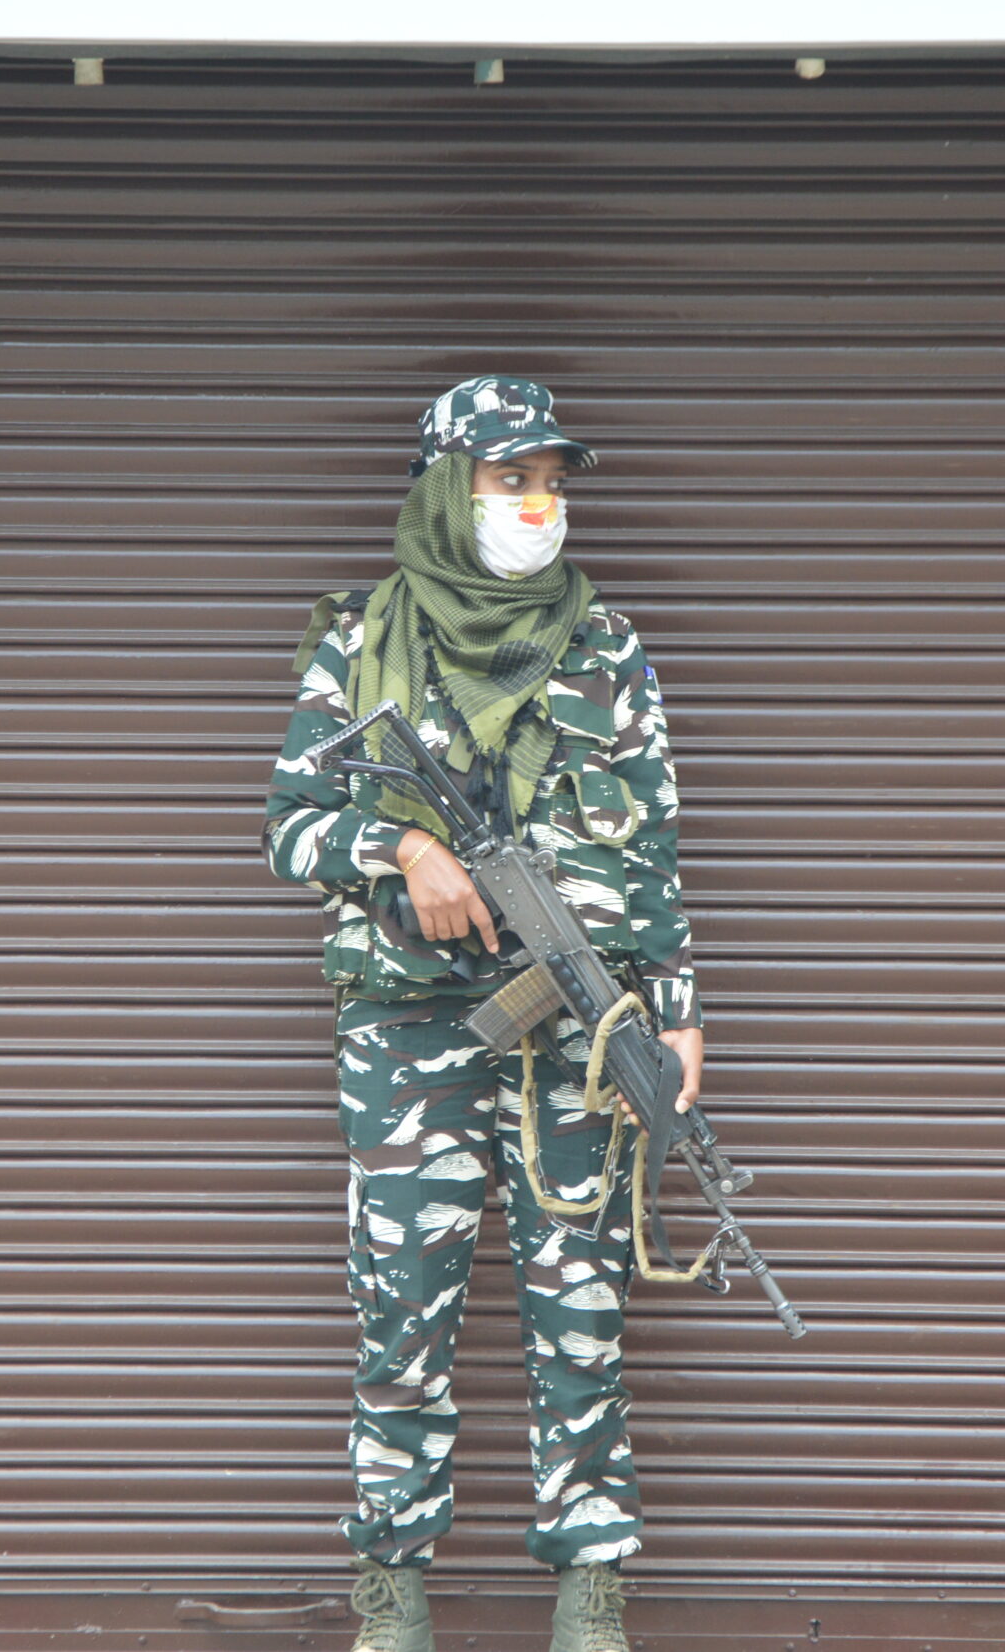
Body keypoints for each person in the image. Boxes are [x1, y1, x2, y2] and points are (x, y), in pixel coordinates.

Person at [262, 377, 703, 1652]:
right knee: (404, 1304)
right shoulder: (361, 641)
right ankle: (391, 1591)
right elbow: (288, 827)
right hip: (409, 1031)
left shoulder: (604, 646)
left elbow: (659, 846)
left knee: (584, 1304)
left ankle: (590, 1594)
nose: (539, 504)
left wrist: (672, 1016)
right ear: (449, 488)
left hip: (580, 1014)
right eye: (513, 479)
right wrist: (402, 848)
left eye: (553, 481)